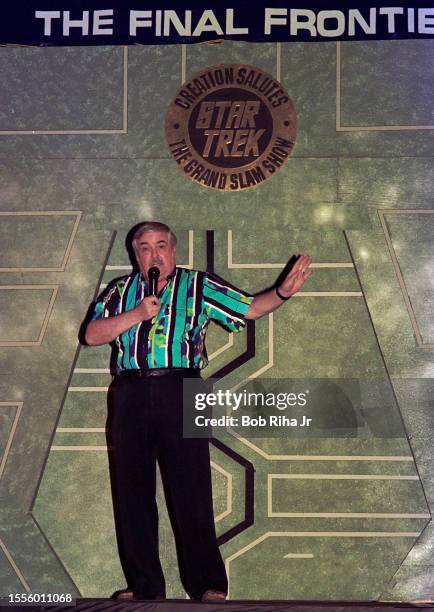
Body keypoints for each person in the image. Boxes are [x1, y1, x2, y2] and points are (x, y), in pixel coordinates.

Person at [84, 221, 312, 602]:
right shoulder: (121, 290)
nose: (153, 254)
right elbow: (92, 334)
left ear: (173, 251)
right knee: (132, 492)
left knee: (191, 489)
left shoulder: (198, 285)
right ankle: (144, 587)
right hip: (130, 392)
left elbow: (251, 308)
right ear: (135, 255)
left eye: (160, 246)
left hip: (183, 387)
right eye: (144, 248)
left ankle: (207, 584)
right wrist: (138, 314)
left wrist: (282, 292)